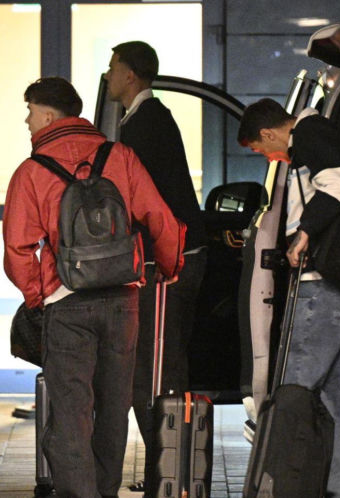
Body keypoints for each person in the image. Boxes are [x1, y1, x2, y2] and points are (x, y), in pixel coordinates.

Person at [3, 77, 185, 498]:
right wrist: (169, 266)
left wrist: (38, 297)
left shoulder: (32, 171)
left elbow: (17, 248)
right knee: (114, 408)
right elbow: (159, 217)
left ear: (49, 115)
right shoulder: (119, 156)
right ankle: (104, 491)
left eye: (30, 111)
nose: (27, 121)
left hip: (67, 302)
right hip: (123, 299)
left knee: (71, 412)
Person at [237, 98, 340, 498]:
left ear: (268, 133)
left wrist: (304, 233)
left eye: (262, 149)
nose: (269, 157)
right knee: (327, 398)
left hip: (321, 286)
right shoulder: (316, 136)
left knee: (295, 391)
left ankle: (278, 485)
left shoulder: (310, 134)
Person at [103, 41, 207, 493]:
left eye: (112, 67)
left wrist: (162, 261)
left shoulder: (147, 123)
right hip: (166, 257)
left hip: (168, 261)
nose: (107, 75)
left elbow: (149, 204)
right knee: (154, 367)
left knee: (157, 372)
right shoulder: (142, 119)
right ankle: (166, 471)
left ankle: (170, 473)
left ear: (131, 74)